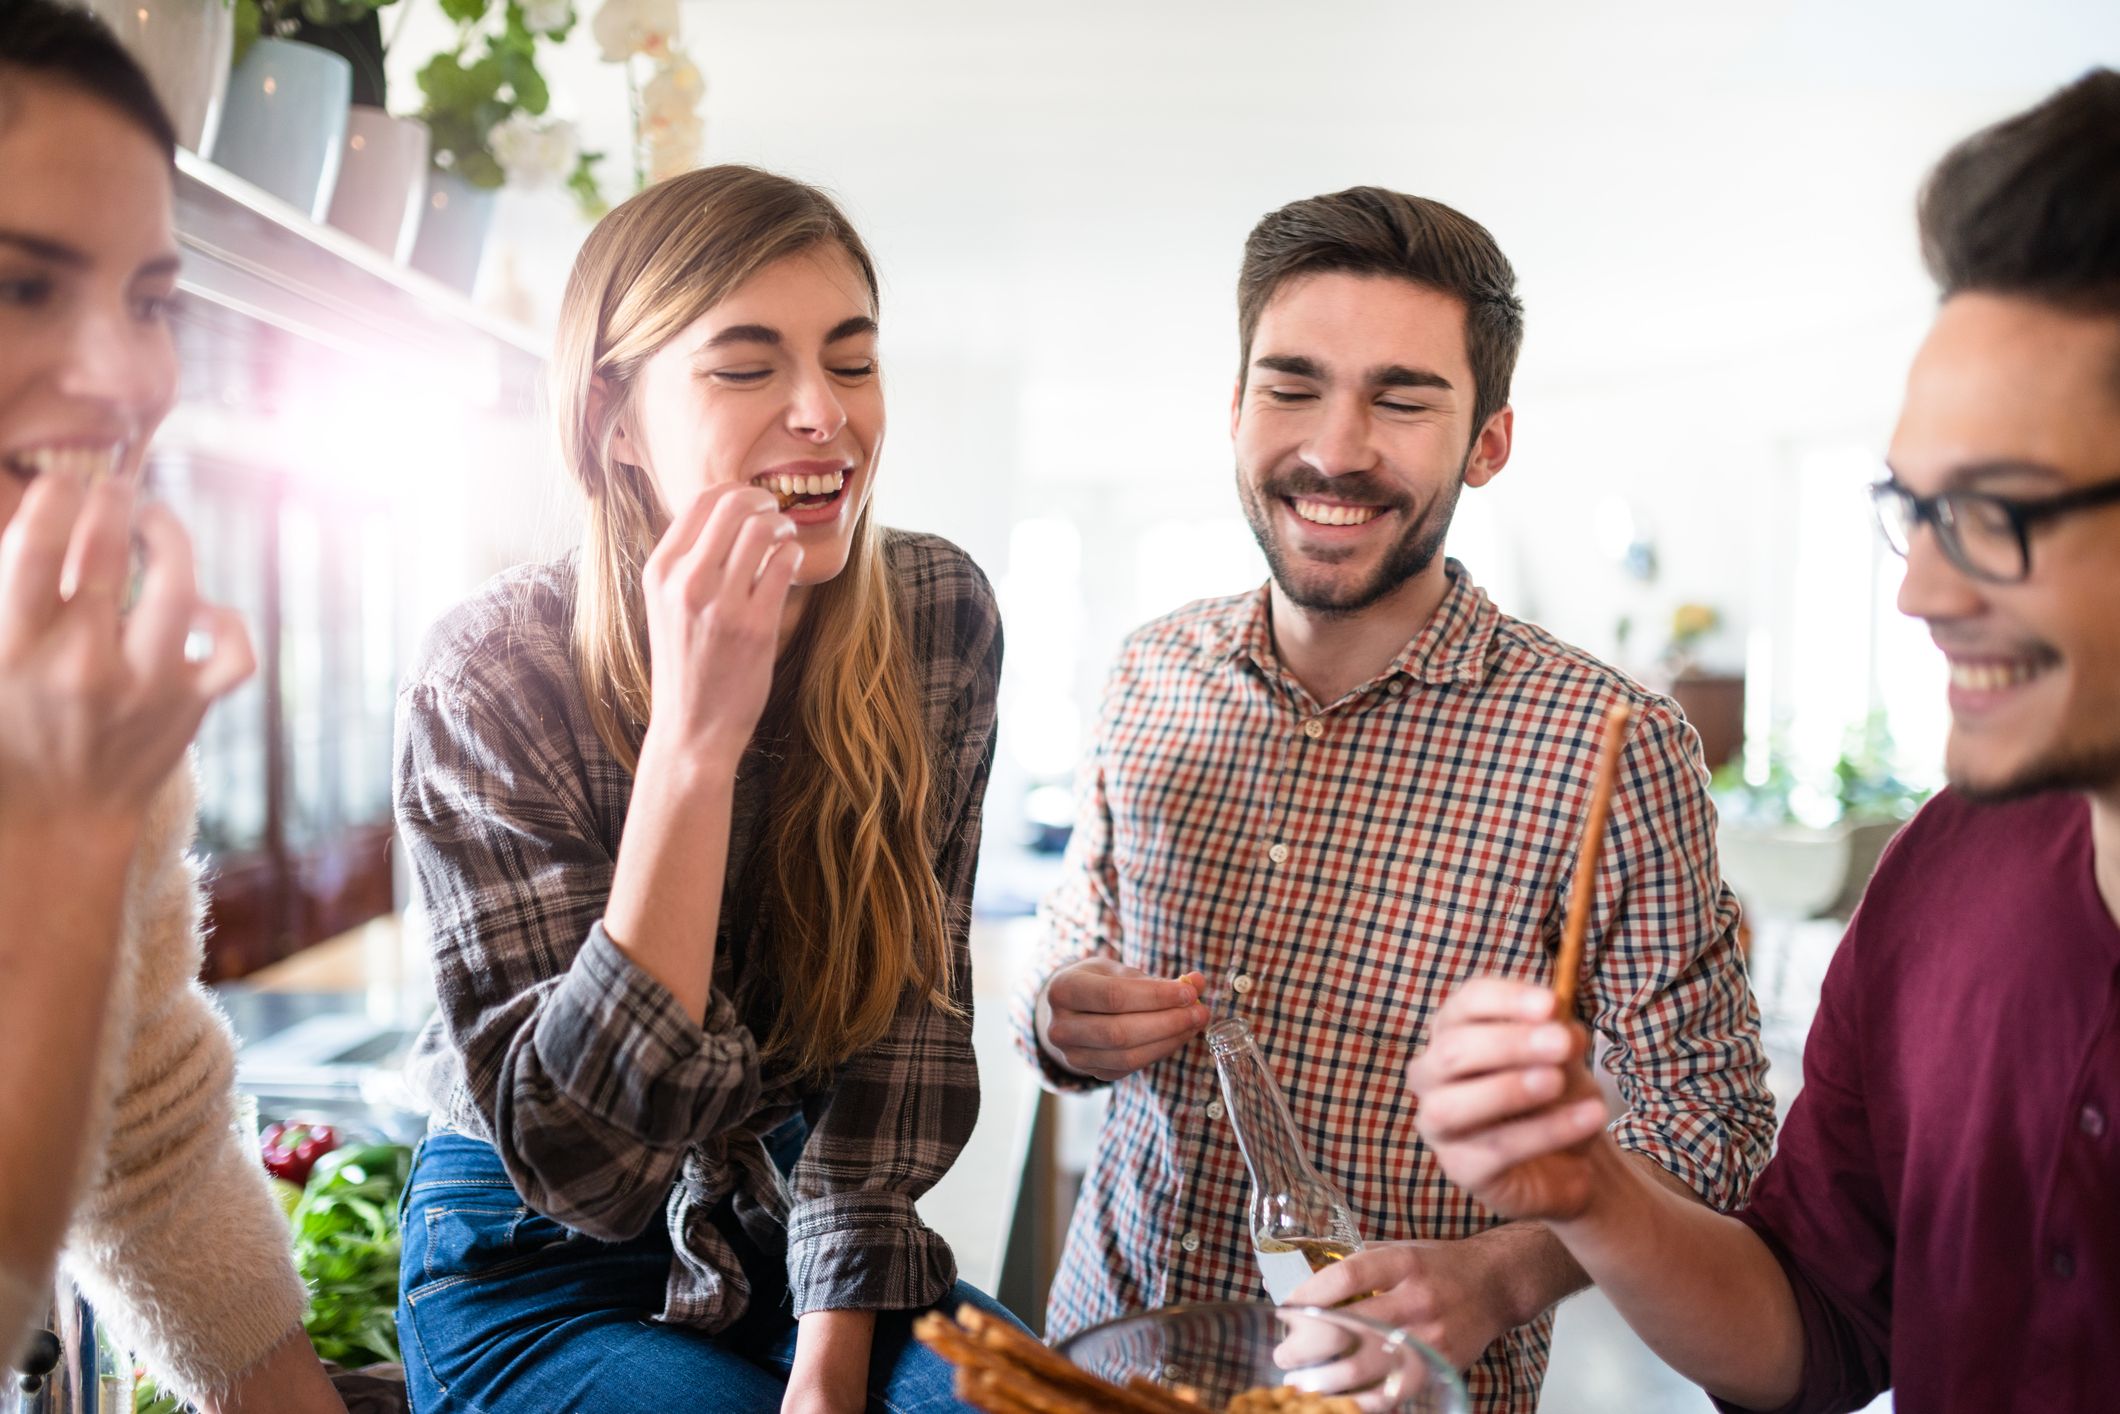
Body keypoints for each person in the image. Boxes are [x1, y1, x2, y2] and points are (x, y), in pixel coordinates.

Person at [1405, 70, 2120, 1414]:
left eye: (1999, 510)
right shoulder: (1936, 882)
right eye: (1915, 506)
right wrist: (1590, 1191)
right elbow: (1815, 1331)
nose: (1921, 591)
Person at [1011, 185, 1776, 1410]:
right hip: (1098, 1363)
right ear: (1234, 408)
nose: (1334, 447)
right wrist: (1059, 1014)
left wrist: (1497, 1277)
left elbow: (1713, 1132)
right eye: (1291, 385)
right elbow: (1073, 939)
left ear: (1487, 441)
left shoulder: (1607, 743)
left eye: (1402, 398)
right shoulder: (1149, 671)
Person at [392, 164, 1013, 1414]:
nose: (821, 414)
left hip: (800, 1217)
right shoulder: (493, 672)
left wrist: (830, 1378)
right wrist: (692, 744)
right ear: (615, 419)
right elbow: (586, 1162)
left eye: (851, 360)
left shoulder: (934, 616)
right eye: (745, 367)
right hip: (535, 1253)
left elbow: (902, 1042)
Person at [0, 4, 344, 1411]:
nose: (130, 376)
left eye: (152, 300)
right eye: (23, 286)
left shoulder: (79, 684)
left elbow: (140, 1133)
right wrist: (70, 834)